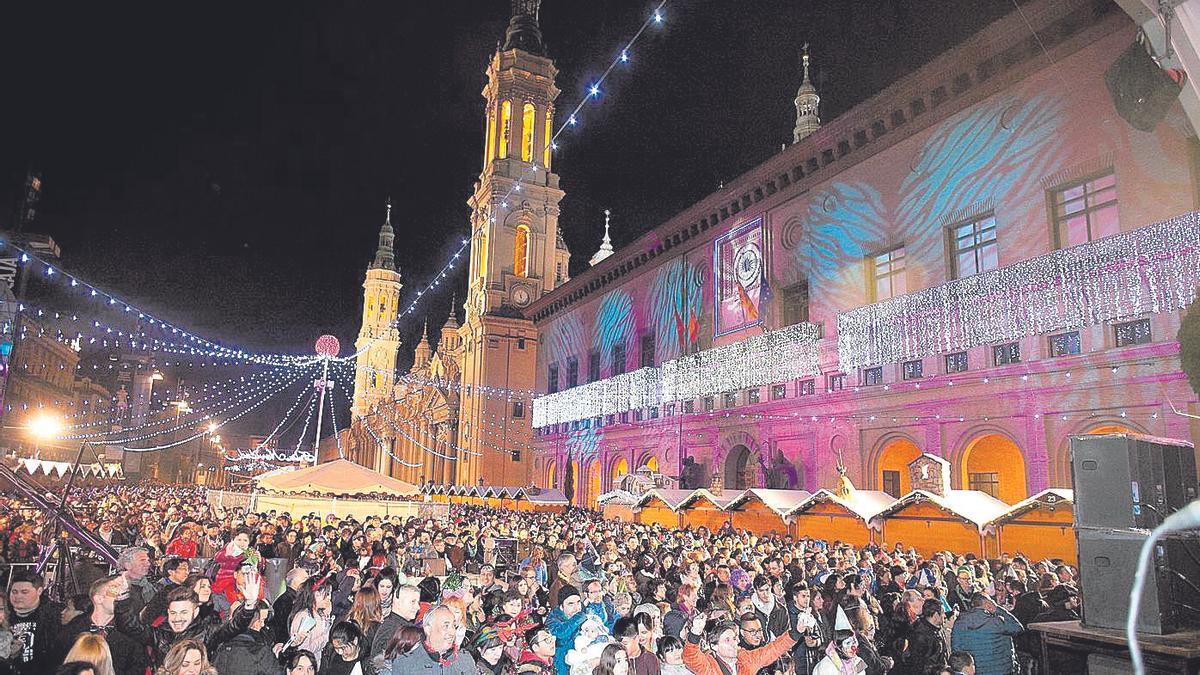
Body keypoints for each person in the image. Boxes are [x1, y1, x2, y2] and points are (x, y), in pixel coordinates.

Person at [113, 570, 260, 668]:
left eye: (184, 612)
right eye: (173, 613)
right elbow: (128, 626)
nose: (177, 618)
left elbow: (233, 627)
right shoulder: (159, 634)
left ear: (195, 612)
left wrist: (249, 604)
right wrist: (122, 599)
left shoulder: (207, 632)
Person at [60, 575, 147, 675]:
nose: (120, 597)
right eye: (115, 592)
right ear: (98, 599)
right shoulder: (73, 630)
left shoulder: (130, 635)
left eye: (123, 594)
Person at [682, 610, 799, 675]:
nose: (733, 643)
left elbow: (773, 649)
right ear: (714, 646)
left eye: (734, 638)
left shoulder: (745, 659)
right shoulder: (709, 667)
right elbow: (690, 657)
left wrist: (797, 631)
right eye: (727, 640)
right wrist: (695, 632)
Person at [8, 570, 65, 675]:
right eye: (14, 592)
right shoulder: (5, 614)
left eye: (24, 592)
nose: (18, 596)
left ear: (39, 591)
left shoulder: (57, 616)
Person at [390, 604, 477, 673]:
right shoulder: (406, 665)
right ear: (428, 629)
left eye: (454, 626)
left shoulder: (465, 660)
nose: (452, 632)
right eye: (445, 626)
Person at [949, 593, 1022, 675]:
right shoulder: (996, 622)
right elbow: (1018, 628)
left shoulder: (959, 624)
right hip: (1002, 671)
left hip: (974, 671)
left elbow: (956, 650)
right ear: (987, 603)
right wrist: (998, 609)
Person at [209, 599, 281, 675]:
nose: (263, 625)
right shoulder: (261, 652)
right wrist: (274, 658)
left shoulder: (220, 647)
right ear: (253, 621)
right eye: (262, 620)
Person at [289, 576, 335, 668]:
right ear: (316, 594)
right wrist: (327, 636)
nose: (329, 598)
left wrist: (328, 617)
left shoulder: (320, 612)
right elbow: (305, 649)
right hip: (306, 667)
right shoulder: (304, 616)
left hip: (318, 664)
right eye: (327, 594)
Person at [895, 600, 947, 675]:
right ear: (935, 615)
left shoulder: (937, 630)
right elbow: (918, 665)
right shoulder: (919, 635)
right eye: (942, 612)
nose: (945, 616)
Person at [371, 585, 421, 664]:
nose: (418, 607)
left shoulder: (394, 624)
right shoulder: (394, 629)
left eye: (418, 602)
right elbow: (380, 664)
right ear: (398, 602)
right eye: (412, 602)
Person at [274, 568, 311, 644]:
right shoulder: (286, 601)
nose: (308, 583)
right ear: (294, 582)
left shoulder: (296, 599)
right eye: (305, 579)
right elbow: (283, 629)